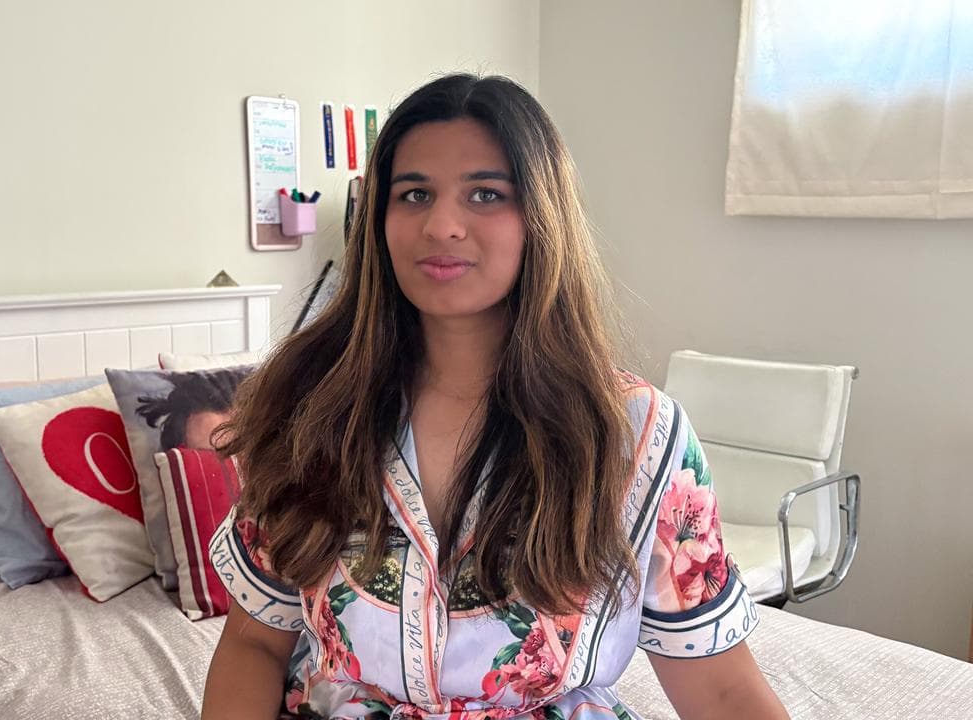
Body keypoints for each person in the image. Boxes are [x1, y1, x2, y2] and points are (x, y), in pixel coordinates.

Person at [202, 74, 787, 720]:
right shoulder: (310, 410)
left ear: (541, 216)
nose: (442, 225)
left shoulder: (636, 436)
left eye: (486, 194)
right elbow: (255, 641)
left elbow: (723, 690)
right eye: (414, 194)